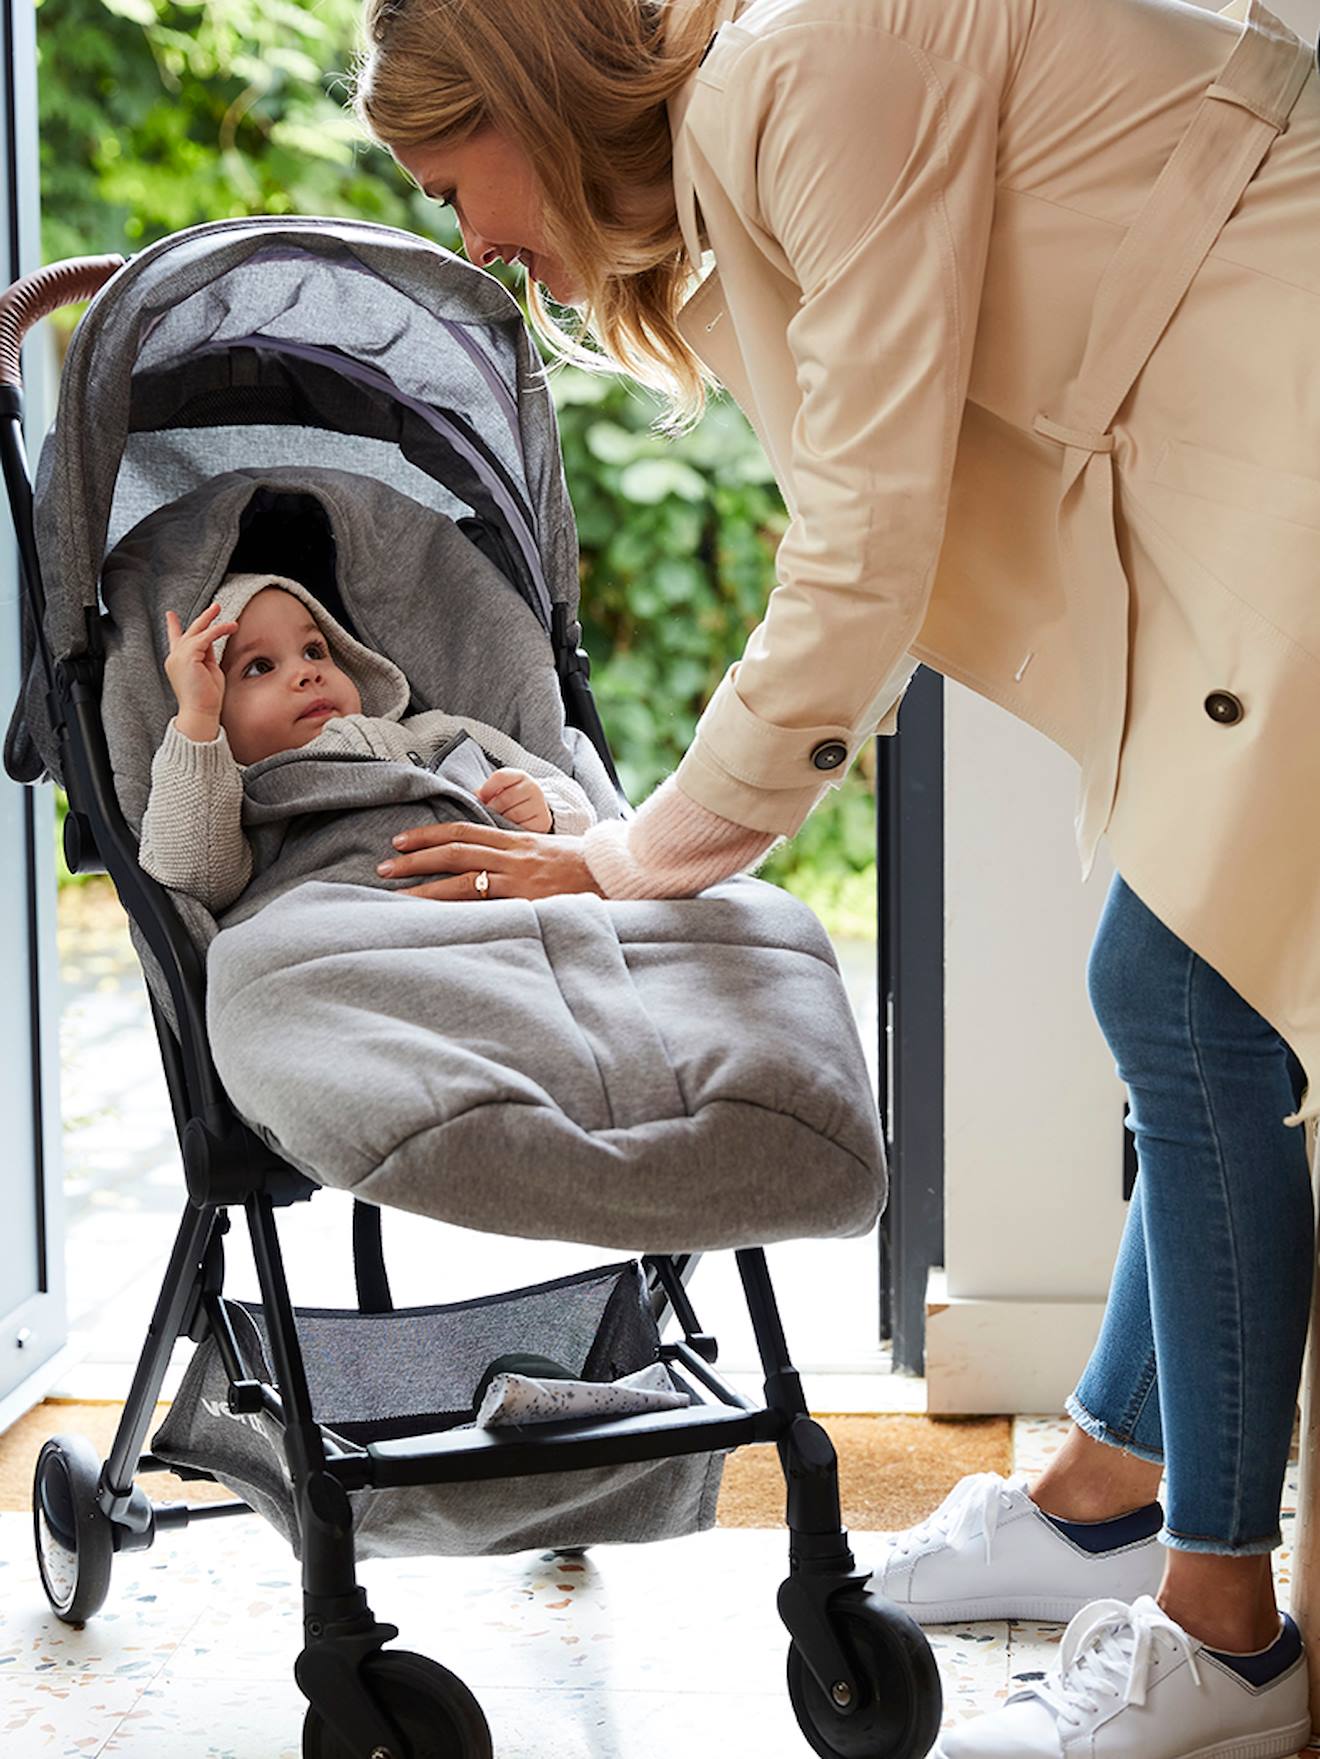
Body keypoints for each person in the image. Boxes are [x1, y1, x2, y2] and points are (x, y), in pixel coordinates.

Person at [349, 0, 1320, 1752]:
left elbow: (870, 538)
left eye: (451, 180)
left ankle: (1228, 1623)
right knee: (1179, 974)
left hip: (1288, 374)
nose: (475, 239)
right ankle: (1108, 1484)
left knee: (1183, 988)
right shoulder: (751, 126)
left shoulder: (800, 65)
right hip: (1234, 412)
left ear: (526, 97)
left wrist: (633, 852)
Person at [138, 571, 597, 914]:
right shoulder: (233, 794)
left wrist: (547, 809)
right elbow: (197, 877)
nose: (306, 672)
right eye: (259, 667)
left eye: (315, 650)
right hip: (332, 932)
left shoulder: (437, 732)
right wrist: (197, 721)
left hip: (490, 912)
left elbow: (578, 805)